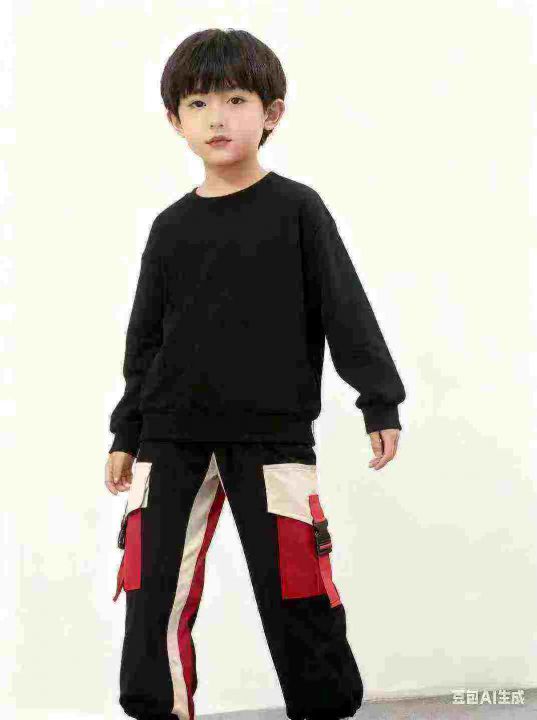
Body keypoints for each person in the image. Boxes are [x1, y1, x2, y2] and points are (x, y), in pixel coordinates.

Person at [105, 28, 406, 720]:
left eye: (236, 99)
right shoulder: (170, 228)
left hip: (271, 435)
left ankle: (323, 706)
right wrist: (126, 432)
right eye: (198, 103)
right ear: (175, 121)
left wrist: (379, 400)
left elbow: (343, 307)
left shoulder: (297, 209)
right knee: (151, 589)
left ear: (271, 113)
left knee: (297, 586)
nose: (217, 117)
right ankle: (159, 708)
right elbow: (143, 342)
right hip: (169, 436)